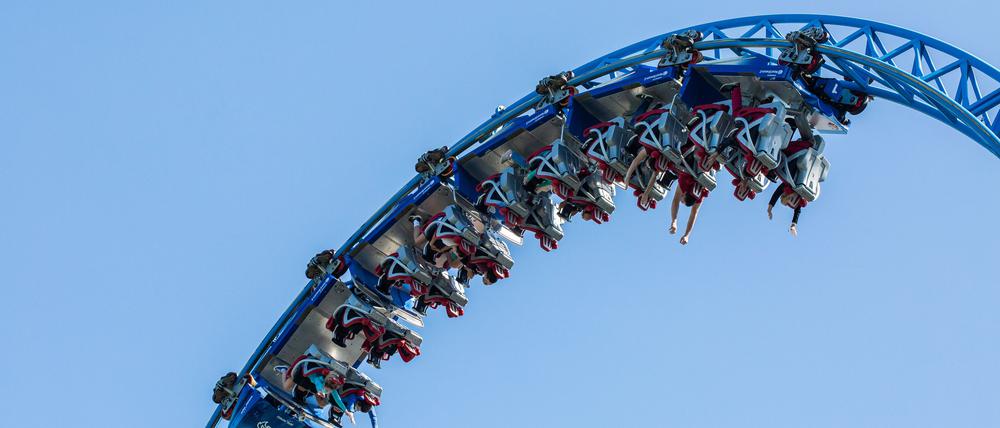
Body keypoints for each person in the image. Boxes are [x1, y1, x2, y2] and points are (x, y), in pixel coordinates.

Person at [280, 354, 355, 425]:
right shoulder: (320, 380)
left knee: (316, 394)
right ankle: (284, 370)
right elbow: (317, 382)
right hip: (302, 371)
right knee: (286, 387)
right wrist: (320, 391)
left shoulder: (332, 385)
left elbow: (337, 399)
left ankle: (301, 395)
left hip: (308, 381)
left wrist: (347, 412)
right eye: (326, 390)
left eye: (328, 391)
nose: (327, 392)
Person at [669, 172, 706, 245]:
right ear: (685, 193)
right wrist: (674, 221)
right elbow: (676, 200)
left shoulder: (699, 196)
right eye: (682, 200)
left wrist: (687, 235)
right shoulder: (684, 182)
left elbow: (694, 214)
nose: (681, 201)